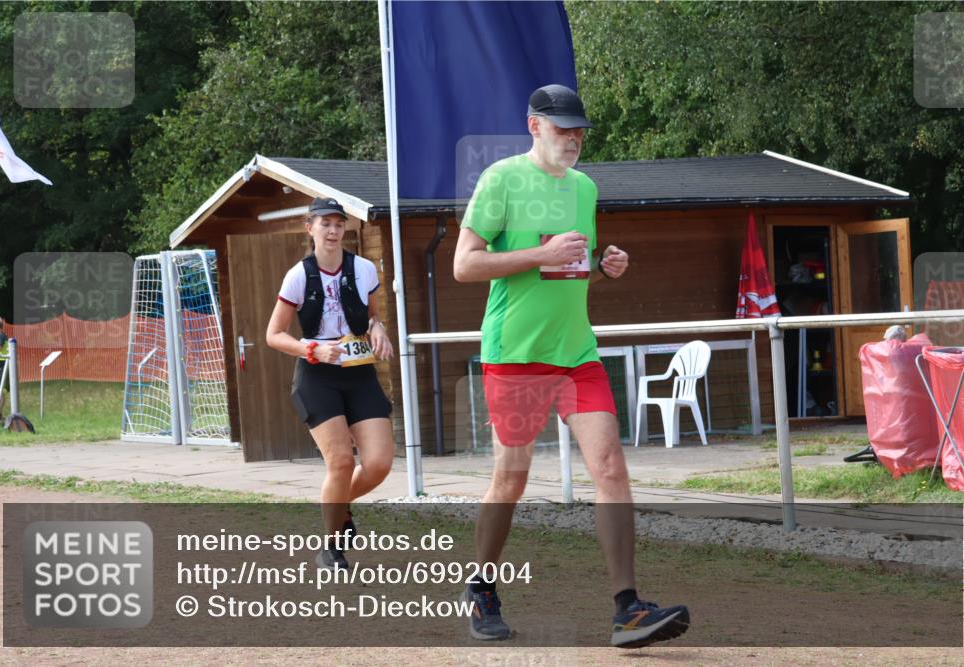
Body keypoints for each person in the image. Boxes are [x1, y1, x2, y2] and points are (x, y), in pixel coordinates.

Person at [452, 84, 690, 648]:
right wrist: (540, 253)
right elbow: (464, 265)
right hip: (515, 355)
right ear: (534, 126)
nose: (574, 139)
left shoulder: (585, 188)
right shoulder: (501, 180)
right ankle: (482, 586)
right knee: (511, 479)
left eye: (580, 130)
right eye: (563, 130)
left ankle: (627, 609)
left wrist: (607, 266)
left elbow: (573, 267)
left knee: (610, 467)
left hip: (576, 353)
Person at [266, 197, 394, 571]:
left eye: (339, 224)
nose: (333, 230)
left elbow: (371, 315)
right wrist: (311, 349)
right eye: (325, 224)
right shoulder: (298, 276)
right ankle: (330, 547)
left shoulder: (364, 269)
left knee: (379, 464)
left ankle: (337, 507)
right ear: (310, 229)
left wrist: (379, 328)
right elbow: (274, 334)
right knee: (340, 462)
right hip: (317, 376)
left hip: (359, 372)